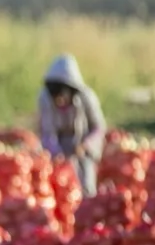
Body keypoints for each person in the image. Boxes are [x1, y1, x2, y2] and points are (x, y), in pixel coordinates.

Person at [37, 53, 106, 197]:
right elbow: (47, 131)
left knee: (86, 185)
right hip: (59, 145)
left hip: (83, 144)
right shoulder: (44, 99)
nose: (59, 100)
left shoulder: (87, 97)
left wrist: (85, 145)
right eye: (55, 95)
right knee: (62, 187)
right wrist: (56, 153)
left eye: (62, 95)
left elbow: (99, 127)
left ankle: (87, 209)